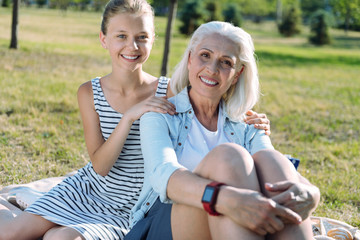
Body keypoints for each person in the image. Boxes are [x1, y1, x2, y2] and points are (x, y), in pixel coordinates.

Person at [0, 1, 270, 240]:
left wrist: (247, 118)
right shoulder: (89, 92)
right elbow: (100, 166)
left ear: (153, 39)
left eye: (142, 37)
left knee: (62, 238)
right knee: (10, 233)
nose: (132, 46)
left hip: (132, 206)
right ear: (104, 39)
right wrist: (129, 116)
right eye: (121, 36)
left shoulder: (169, 91)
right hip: (88, 190)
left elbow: (208, 106)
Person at [125, 21, 320, 240]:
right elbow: (164, 176)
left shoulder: (248, 125)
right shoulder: (159, 114)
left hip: (229, 227)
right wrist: (225, 198)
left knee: (270, 159)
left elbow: (277, 171)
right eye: (205, 55)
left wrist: (313, 194)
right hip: (163, 225)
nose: (212, 69)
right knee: (229, 156)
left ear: (237, 74)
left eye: (226, 62)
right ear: (190, 59)